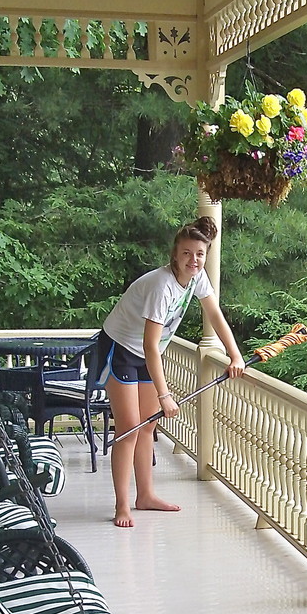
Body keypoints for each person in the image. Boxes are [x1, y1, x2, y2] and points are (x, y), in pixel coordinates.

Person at [98, 216, 244, 526]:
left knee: (147, 428)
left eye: (200, 254)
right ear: (175, 255)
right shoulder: (161, 287)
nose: (194, 260)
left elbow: (215, 316)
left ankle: (145, 495)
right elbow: (150, 345)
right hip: (122, 349)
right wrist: (165, 395)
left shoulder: (198, 278)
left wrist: (235, 356)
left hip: (148, 354)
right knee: (129, 429)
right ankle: (122, 505)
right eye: (187, 253)